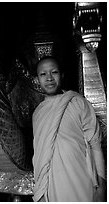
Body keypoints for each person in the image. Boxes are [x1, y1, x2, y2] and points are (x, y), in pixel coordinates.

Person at [32, 56, 106, 202]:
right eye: (43, 74)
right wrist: (40, 192)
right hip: (51, 185)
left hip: (80, 178)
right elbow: (39, 155)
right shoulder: (38, 113)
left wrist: (102, 186)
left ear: (62, 75)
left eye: (54, 72)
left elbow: (95, 144)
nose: (49, 78)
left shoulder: (77, 102)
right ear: (36, 80)